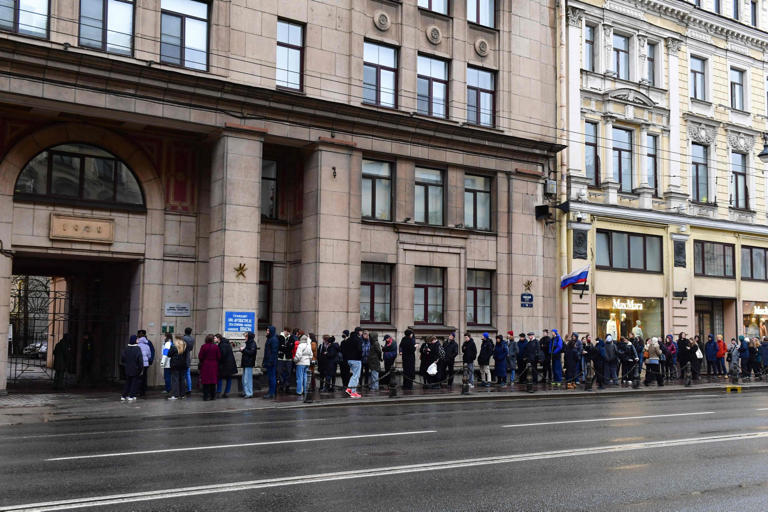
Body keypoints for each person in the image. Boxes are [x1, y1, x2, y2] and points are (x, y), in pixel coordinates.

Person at [120, 335, 143, 400]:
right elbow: (140, 360)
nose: (138, 340)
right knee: (134, 382)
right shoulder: (137, 349)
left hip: (127, 368)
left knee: (127, 382)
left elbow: (122, 358)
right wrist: (140, 369)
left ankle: (123, 395)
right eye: (137, 339)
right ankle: (131, 395)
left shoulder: (126, 348)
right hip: (135, 369)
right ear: (134, 340)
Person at [342, 327, 363, 398]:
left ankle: (349, 389)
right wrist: (360, 356)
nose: (362, 333)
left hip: (349, 360)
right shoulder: (359, 340)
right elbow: (360, 350)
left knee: (354, 375)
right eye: (361, 331)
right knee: (356, 376)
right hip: (356, 360)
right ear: (358, 332)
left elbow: (344, 350)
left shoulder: (348, 339)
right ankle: (353, 392)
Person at [198, 334, 220, 401]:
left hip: (205, 365)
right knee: (213, 381)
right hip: (214, 365)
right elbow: (219, 356)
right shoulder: (216, 347)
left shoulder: (203, 346)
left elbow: (200, 356)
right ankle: (213, 396)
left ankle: (206, 396)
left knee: (206, 382)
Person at [262, 326, 279, 399]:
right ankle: (271, 392)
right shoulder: (270, 339)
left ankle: (271, 393)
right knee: (270, 378)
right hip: (269, 361)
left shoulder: (273, 339)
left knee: (272, 378)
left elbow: (274, 352)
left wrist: (270, 361)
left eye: (268, 331)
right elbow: (267, 352)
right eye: (267, 330)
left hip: (271, 362)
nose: (267, 332)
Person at [240, 332, 258, 398]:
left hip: (249, 363)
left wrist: (243, 350)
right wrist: (243, 350)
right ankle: (246, 392)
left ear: (249, 337)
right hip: (246, 363)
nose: (245, 338)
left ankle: (249, 393)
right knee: (244, 379)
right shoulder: (249, 343)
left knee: (247, 379)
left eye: (246, 336)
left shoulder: (252, 343)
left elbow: (251, 352)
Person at [136, 331, 152, 398]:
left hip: (138, 364)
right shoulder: (147, 346)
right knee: (144, 378)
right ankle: (143, 392)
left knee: (138, 377)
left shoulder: (137, 345)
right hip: (145, 364)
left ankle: (137, 391)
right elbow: (149, 356)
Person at [183, 327, 195, 396]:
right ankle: (189, 389)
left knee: (182, 375)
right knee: (188, 374)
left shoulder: (183, 338)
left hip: (182, 358)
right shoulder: (192, 339)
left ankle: (182, 389)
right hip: (188, 357)